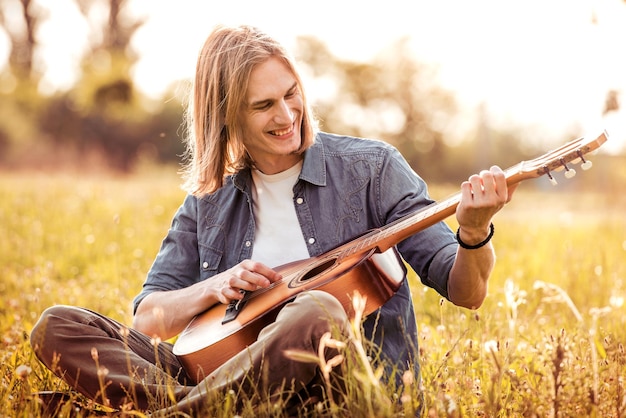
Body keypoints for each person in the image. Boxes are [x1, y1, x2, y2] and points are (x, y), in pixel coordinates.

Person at [30, 24, 515, 415]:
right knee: (59, 326)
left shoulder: (373, 169)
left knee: (316, 310)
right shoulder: (209, 200)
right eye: (264, 105)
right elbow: (149, 320)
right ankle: (194, 407)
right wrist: (213, 287)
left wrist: (473, 232)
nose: (287, 115)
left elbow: (467, 293)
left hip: (346, 395)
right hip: (223, 371)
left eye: (291, 93)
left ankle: (178, 411)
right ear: (227, 117)